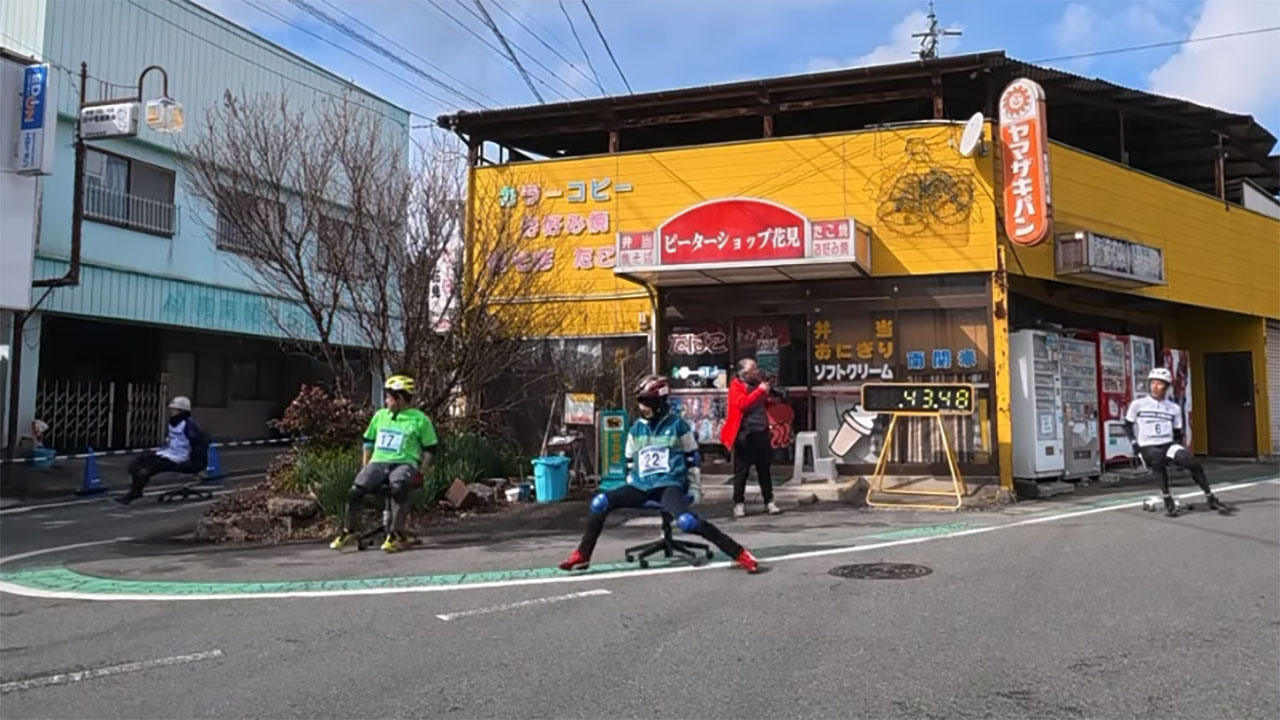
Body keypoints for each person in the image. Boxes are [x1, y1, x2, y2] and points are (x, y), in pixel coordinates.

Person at [559, 375, 760, 573]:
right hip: (640, 486)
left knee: (687, 522)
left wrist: (695, 487)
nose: (643, 406)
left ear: (661, 401)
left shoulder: (678, 425)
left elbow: (692, 458)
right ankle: (583, 555)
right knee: (600, 502)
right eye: (640, 401)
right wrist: (631, 480)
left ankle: (740, 553)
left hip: (668, 485)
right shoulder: (636, 429)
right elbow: (630, 461)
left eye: (647, 401)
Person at [330, 375, 439, 553]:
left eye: (389, 397)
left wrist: (422, 471)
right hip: (378, 462)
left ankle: (397, 534)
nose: (386, 400)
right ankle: (349, 531)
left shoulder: (420, 420)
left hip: (404, 463)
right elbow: (368, 442)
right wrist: (365, 466)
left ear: (400, 399)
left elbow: (430, 448)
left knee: (398, 488)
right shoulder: (380, 416)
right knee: (355, 491)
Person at [1125, 367, 1233, 517]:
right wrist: (1134, 443)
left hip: (1167, 444)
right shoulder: (1138, 404)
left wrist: (1178, 453)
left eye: (1160, 384)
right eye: (1153, 383)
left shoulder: (1174, 408)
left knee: (1191, 461)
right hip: (1147, 445)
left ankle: (1210, 497)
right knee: (1157, 458)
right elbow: (1127, 425)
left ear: (1167, 387)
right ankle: (1167, 497)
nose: (1155, 387)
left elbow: (1177, 432)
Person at [118, 396, 207, 505]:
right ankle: (136, 488)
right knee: (137, 462)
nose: (171, 412)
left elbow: (196, 443)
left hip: (179, 457)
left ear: (181, 411)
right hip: (167, 453)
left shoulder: (188, 424)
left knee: (147, 468)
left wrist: (194, 462)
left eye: (174, 410)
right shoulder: (173, 422)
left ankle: (135, 492)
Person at [720, 358, 780, 519]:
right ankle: (738, 503)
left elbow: (762, 403)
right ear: (744, 373)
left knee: (765, 470)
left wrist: (768, 395)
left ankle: (769, 501)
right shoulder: (736, 386)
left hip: (761, 432)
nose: (757, 371)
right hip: (745, 435)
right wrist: (760, 391)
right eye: (754, 369)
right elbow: (742, 405)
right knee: (742, 472)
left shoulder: (758, 384)